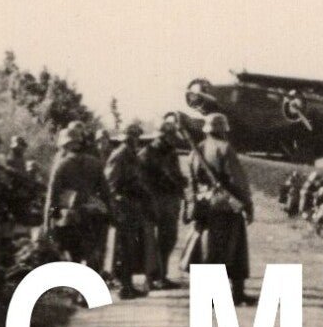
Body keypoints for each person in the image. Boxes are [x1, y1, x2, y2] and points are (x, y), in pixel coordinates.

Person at [184, 112, 254, 301]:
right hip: (226, 205)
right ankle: (236, 293)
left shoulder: (195, 150)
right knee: (235, 248)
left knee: (206, 249)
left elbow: (190, 182)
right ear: (223, 129)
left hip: (204, 205)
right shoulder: (225, 148)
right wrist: (247, 204)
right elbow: (237, 180)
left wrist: (192, 205)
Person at [44, 121, 110, 272]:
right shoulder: (95, 162)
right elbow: (105, 192)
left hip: (71, 217)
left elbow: (52, 197)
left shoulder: (61, 165)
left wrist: (49, 224)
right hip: (94, 214)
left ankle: (78, 292)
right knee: (93, 254)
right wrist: (109, 214)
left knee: (74, 257)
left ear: (65, 145)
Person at [105, 122, 154, 299]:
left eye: (136, 137)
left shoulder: (131, 155)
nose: (135, 140)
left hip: (133, 206)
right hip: (123, 206)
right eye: (132, 137)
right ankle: (124, 287)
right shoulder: (119, 155)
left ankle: (128, 285)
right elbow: (110, 184)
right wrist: (116, 205)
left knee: (132, 247)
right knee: (124, 248)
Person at [141, 115, 189, 289]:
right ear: (160, 136)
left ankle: (162, 275)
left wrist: (181, 181)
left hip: (170, 200)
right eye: (168, 137)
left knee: (169, 238)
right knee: (150, 241)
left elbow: (175, 173)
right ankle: (150, 278)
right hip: (154, 200)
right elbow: (142, 180)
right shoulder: (147, 154)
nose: (171, 140)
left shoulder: (171, 153)